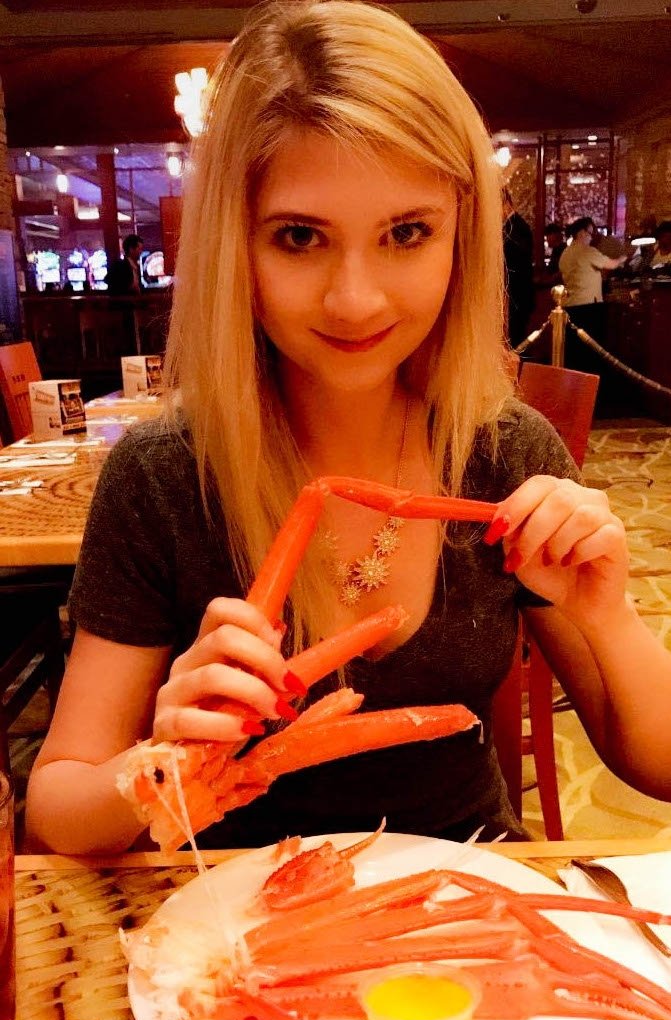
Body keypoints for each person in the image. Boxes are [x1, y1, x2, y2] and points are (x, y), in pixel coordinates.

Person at [26, 0, 671, 855]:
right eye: (300, 237)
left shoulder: (503, 453)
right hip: (226, 905)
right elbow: (58, 803)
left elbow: (656, 764)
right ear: (234, 246)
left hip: (470, 887)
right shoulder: (164, 477)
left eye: (406, 233)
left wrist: (608, 615)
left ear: (460, 236)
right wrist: (153, 765)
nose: (354, 299)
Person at [559, 217, 628, 411]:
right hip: (589, 307)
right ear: (582, 233)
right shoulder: (587, 251)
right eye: (591, 233)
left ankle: (574, 396)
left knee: (575, 356)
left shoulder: (565, 253)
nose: (592, 237)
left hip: (571, 306)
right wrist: (625, 256)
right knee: (591, 355)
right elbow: (611, 264)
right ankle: (592, 399)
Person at [502, 187, 535, 349]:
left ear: (505, 203)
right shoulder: (510, 226)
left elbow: (514, 263)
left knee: (516, 340)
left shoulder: (518, 228)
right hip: (514, 295)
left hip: (518, 295)